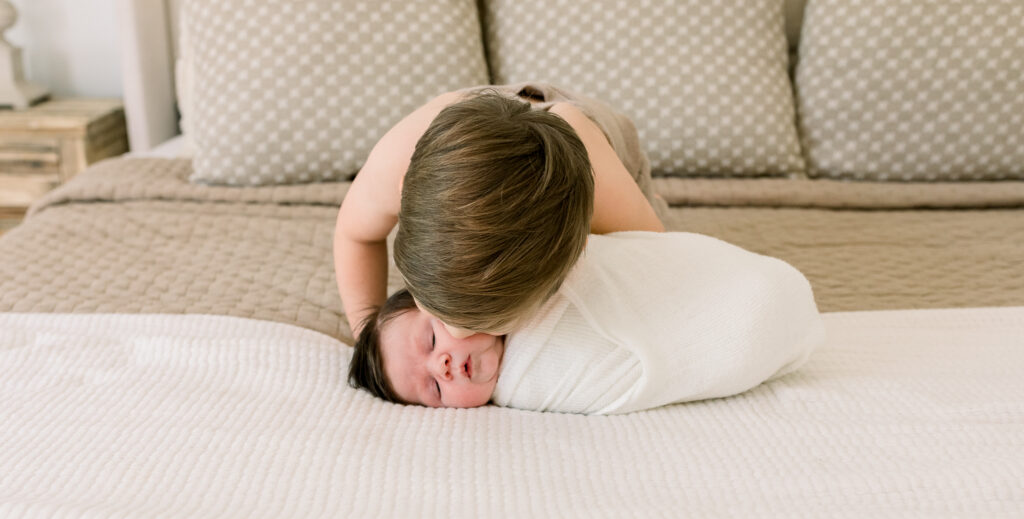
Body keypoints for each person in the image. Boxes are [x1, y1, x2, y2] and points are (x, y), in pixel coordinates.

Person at [349, 232, 827, 415]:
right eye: (434, 389)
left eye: (431, 340)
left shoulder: (514, 267)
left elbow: (634, 257)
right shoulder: (527, 386)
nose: (445, 366)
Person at [332, 83, 669, 342]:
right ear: (403, 192)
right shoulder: (395, 161)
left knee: (643, 229)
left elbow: (662, 263)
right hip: (484, 118)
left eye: (491, 329)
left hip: (601, 143)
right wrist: (367, 332)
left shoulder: (606, 192)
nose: (456, 336)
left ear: (578, 249)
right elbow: (355, 235)